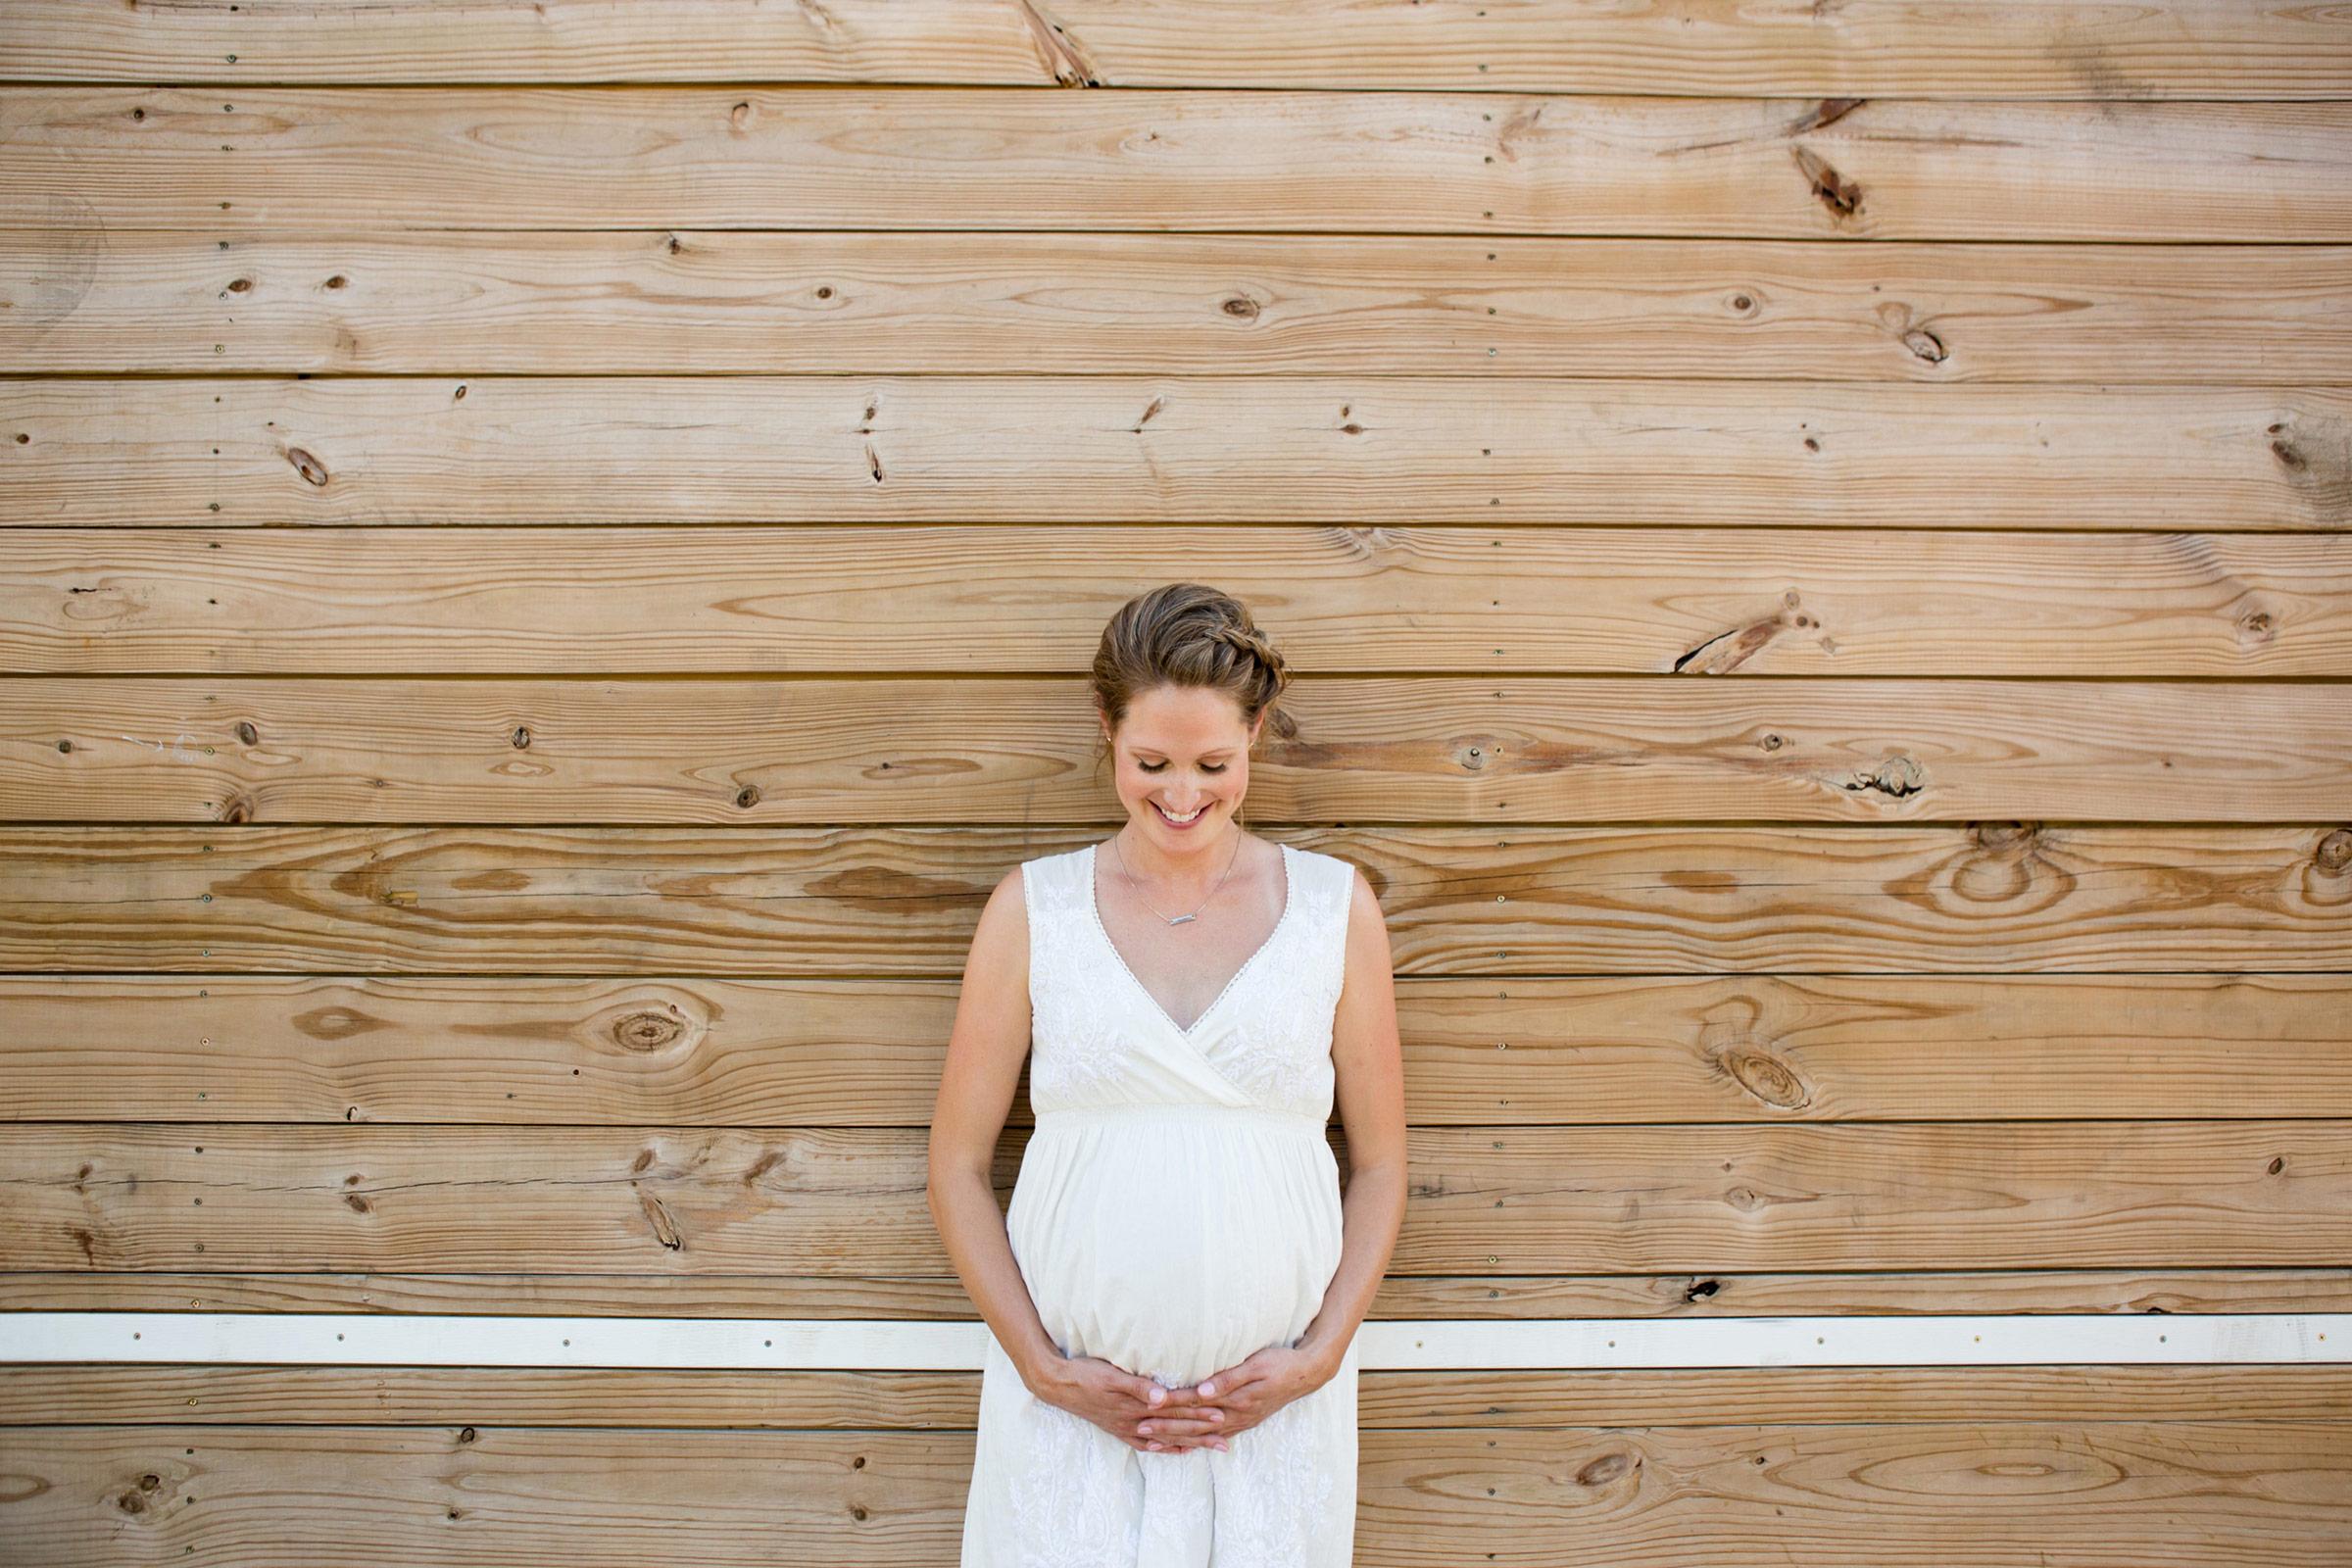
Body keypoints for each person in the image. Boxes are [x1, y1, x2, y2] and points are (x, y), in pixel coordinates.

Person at [927, 582, 1408, 1566]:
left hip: (1271, 1422)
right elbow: (956, 1166)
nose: (1182, 795)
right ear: (1106, 730)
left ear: (1256, 735)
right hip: (1069, 1416)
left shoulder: (1333, 909)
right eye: (1151, 763)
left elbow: (1382, 1164)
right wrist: (1043, 1369)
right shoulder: (1034, 910)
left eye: (1213, 764)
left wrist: (1319, 1357)